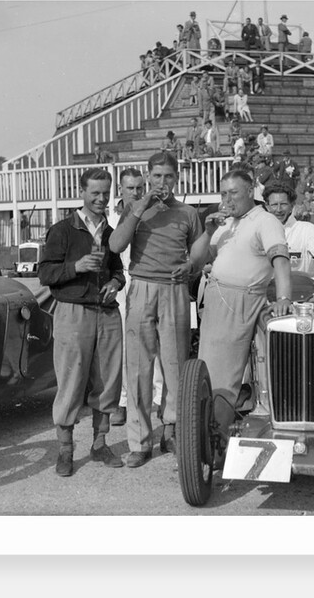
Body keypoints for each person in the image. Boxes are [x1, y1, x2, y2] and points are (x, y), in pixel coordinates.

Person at [109, 151, 204, 466]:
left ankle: (171, 430)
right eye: (157, 176)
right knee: (138, 366)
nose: (162, 183)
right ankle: (139, 442)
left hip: (175, 291)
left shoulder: (188, 213)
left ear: (176, 178)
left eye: (168, 177)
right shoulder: (135, 209)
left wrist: (190, 265)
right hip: (142, 288)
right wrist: (139, 208)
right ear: (148, 177)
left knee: (175, 364)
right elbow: (115, 245)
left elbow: (200, 252)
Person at [189, 170, 292, 459]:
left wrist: (284, 298)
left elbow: (281, 261)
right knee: (208, 372)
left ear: (250, 191)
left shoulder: (265, 220)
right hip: (216, 298)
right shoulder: (225, 225)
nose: (227, 199)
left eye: (233, 193)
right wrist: (208, 231)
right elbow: (195, 262)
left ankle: (212, 447)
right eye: (223, 194)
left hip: (241, 300)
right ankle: (206, 441)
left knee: (222, 376)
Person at [38, 168, 125, 476]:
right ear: (82, 192)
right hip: (73, 312)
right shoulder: (62, 230)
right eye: (95, 193)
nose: (101, 198)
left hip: (107, 312)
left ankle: (100, 445)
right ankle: (65, 450)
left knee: (108, 380)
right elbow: (46, 274)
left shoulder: (110, 230)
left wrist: (116, 282)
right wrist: (76, 266)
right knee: (71, 382)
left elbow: (118, 271)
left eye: (105, 192)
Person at [106, 168, 164, 428]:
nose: (136, 193)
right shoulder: (110, 218)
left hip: (150, 278)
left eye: (140, 187)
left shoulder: (155, 212)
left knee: (156, 340)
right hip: (123, 279)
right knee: (125, 342)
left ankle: (161, 397)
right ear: (121, 190)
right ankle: (123, 400)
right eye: (130, 188)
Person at [265, 183, 314, 277]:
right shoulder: (258, 233)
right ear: (267, 207)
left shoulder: (308, 231)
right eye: (274, 205)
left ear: (292, 206)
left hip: (301, 289)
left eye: (283, 204)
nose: (279, 209)